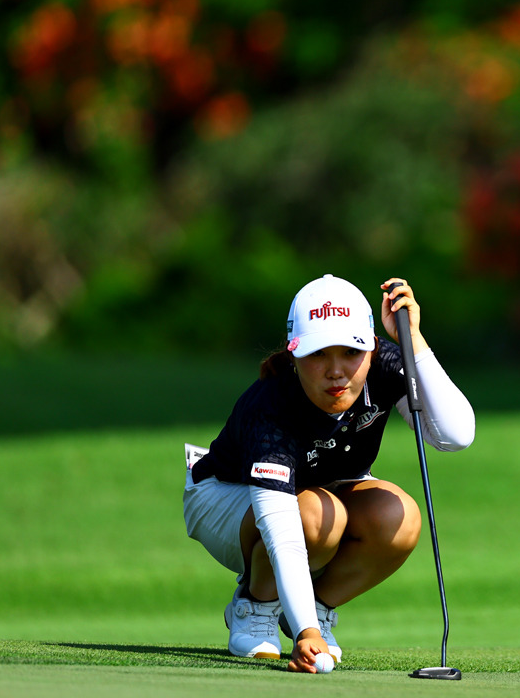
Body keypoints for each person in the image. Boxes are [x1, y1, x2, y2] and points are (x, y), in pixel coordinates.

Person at [183, 274, 474, 673]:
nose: (336, 371)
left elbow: (455, 435)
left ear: (371, 347)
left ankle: (316, 609)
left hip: (322, 491)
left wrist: (415, 343)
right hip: (223, 496)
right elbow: (282, 527)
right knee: (318, 517)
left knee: (399, 517)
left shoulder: (387, 366)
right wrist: (305, 635)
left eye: (351, 353)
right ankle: (254, 607)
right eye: (319, 354)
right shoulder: (271, 406)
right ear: (294, 354)